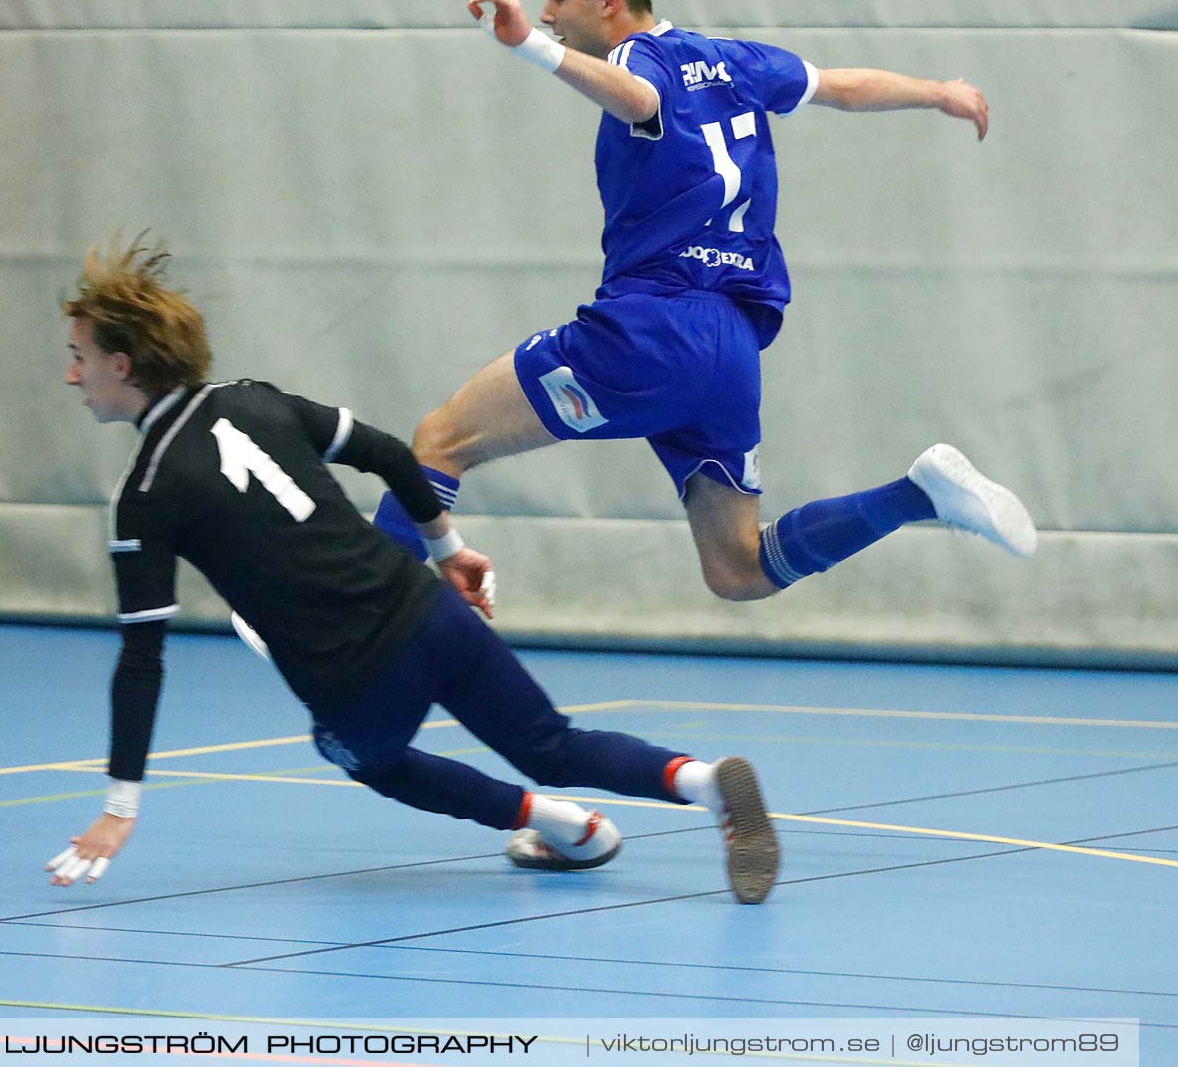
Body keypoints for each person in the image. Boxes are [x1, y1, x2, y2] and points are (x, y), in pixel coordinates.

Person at [45, 236, 780, 904]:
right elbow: (395, 455)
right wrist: (447, 551)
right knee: (550, 743)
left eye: (80, 355)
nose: (73, 377)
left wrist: (120, 806)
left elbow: (143, 661)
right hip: (428, 610)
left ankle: (554, 822)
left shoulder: (144, 495)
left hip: (352, 676)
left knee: (365, 757)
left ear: (123, 363)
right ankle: (706, 783)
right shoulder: (252, 400)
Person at [371, 0, 1035, 602]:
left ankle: (347, 613)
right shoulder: (735, 61)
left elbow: (641, 99)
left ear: (608, 2)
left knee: (438, 440)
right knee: (739, 569)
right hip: (730, 347)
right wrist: (937, 92)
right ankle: (915, 497)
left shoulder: (636, 60)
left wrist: (529, 45)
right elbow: (840, 86)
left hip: (650, 331)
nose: (546, 11)